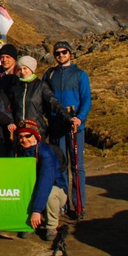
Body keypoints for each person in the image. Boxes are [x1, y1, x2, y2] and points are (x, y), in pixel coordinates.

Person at [44, 41, 91, 220]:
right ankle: (62, 204)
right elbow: (46, 98)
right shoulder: (50, 74)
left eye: (64, 52)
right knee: (60, 166)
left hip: (75, 126)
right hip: (57, 125)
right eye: (58, 53)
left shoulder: (80, 75)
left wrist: (80, 117)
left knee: (77, 167)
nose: (61, 55)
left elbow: (86, 99)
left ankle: (79, 205)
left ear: (70, 53)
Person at [12, 120, 68, 241]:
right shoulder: (17, 152)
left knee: (50, 194)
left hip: (54, 188)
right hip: (33, 188)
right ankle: (28, 223)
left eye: (28, 136)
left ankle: (51, 225)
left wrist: (36, 210)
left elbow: (45, 182)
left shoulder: (46, 153)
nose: (24, 139)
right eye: (20, 137)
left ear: (36, 137)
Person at [8, 55, 71, 142]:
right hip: (20, 131)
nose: (22, 72)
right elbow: (10, 108)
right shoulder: (15, 88)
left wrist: (68, 117)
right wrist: (11, 122)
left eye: (25, 68)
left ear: (32, 69)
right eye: (20, 69)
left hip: (37, 130)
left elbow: (53, 103)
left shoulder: (41, 86)